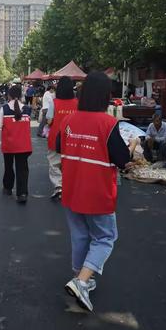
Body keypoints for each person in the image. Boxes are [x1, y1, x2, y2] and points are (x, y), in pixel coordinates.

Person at [60, 72, 130, 312]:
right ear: (105, 95)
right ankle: (81, 281)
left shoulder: (68, 120)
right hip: (97, 190)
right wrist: (133, 145)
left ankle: (82, 277)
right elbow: (122, 159)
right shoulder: (108, 123)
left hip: (71, 187)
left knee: (80, 235)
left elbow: (60, 146)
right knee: (105, 237)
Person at [0, 85, 32, 203]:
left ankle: (8, 188)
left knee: (8, 166)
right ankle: (22, 194)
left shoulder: (4, 109)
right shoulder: (27, 109)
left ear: (9, 95)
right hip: (24, 145)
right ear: (21, 95)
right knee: (22, 169)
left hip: (9, 145)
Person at [46, 77, 78, 199]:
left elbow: (49, 121)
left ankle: (59, 186)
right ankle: (70, 185)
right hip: (73, 137)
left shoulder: (54, 102)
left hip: (56, 137)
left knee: (54, 163)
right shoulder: (77, 103)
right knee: (69, 162)